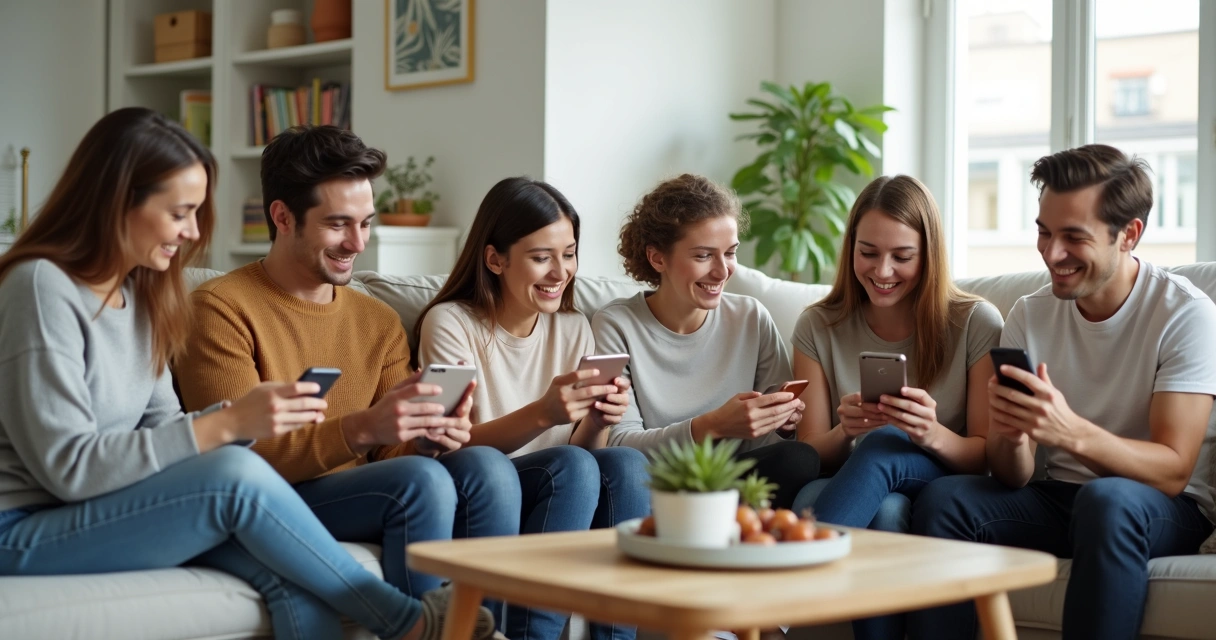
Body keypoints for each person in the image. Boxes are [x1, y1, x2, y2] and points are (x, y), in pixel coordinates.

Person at [0, 107, 499, 640]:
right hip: (24, 527)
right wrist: (228, 423)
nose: (193, 231)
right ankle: (409, 622)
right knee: (233, 472)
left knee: (292, 582)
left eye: (196, 212)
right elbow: (69, 468)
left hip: (112, 506)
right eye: (179, 212)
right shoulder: (41, 286)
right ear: (119, 202)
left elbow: (162, 427)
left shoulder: (141, 295)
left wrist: (236, 424)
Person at [175, 125, 520, 609]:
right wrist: (363, 428)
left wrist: (427, 435)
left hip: (362, 491)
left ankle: (484, 630)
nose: (357, 243)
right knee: (421, 482)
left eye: (366, 223)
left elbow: (391, 454)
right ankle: (422, 627)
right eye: (338, 224)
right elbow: (239, 459)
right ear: (283, 217)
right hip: (271, 498)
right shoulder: (219, 308)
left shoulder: (377, 320)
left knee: (486, 465)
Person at [908, 144, 1216, 640]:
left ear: (1129, 235)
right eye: (1044, 232)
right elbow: (1012, 473)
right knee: (946, 500)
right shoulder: (1030, 313)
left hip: (1160, 508)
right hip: (1061, 498)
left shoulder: (1184, 313)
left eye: (1073, 237)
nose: (1052, 254)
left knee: (1106, 501)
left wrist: (1069, 432)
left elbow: (1174, 470)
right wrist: (1013, 438)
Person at [414, 177, 650, 640]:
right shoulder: (451, 323)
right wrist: (544, 413)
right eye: (542, 257)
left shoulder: (574, 327)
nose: (560, 272)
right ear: (495, 259)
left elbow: (585, 453)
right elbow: (447, 447)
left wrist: (597, 420)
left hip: (559, 487)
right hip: (481, 486)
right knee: (571, 467)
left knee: (626, 463)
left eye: (569, 254)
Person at [789, 175, 1002, 639]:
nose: (882, 271)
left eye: (902, 257)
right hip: (860, 481)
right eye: (868, 252)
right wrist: (845, 431)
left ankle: (774, 603)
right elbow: (811, 454)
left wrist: (930, 433)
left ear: (929, 255)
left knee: (886, 439)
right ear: (851, 248)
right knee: (883, 513)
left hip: (943, 478)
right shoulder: (818, 325)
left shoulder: (974, 321)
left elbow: (987, 457)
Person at [593, 173, 819, 509]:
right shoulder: (617, 324)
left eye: (730, 253)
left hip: (731, 484)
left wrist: (779, 424)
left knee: (798, 458)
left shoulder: (751, 317)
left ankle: (712, 523)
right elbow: (620, 447)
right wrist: (712, 426)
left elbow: (768, 449)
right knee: (626, 467)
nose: (722, 271)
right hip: (654, 484)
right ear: (658, 258)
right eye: (703, 256)